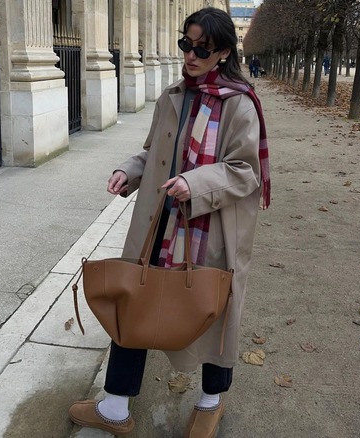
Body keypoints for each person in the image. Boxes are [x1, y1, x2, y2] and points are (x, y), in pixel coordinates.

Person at [67, 7, 271, 437]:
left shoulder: (239, 104)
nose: (191, 54)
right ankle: (116, 408)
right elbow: (152, 153)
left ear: (224, 53)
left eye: (203, 48)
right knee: (134, 300)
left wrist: (194, 183)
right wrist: (130, 171)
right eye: (186, 44)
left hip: (209, 228)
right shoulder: (173, 95)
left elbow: (245, 171)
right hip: (159, 221)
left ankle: (210, 401)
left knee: (212, 307)